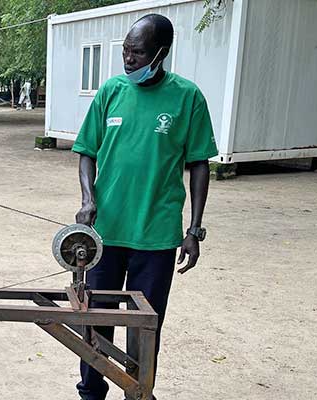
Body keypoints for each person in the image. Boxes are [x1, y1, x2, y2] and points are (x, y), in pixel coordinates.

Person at [71, 14, 218, 400]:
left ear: (161, 54)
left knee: (144, 325)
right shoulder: (111, 92)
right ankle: (91, 390)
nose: (128, 60)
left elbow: (199, 163)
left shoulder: (188, 98)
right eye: (125, 52)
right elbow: (86, 151)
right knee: (96, 319)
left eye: (137, 53)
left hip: (156, 235)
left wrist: (194, 230)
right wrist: (88, 200)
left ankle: (137, 390)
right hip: (105, 233)